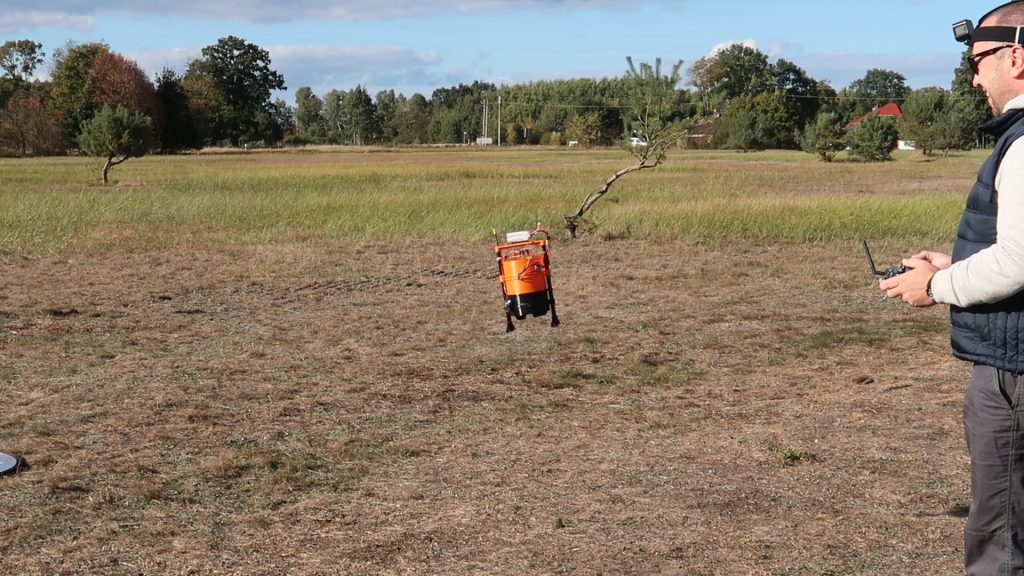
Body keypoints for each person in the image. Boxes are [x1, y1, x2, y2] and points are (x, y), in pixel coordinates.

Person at [880, 2, 1024, 573]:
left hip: (1015, 373)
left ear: (1016, 56)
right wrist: (960, 259)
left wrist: (938, 285)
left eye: (980, 60)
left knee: (1001, 541)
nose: (973, 77)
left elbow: (1019, 260)